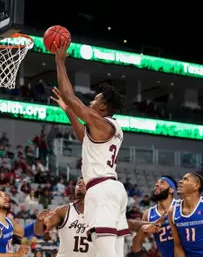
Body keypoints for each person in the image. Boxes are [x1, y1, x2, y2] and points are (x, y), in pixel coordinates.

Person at [52, 42, 127, 257]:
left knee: (105, 254)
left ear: (103, 107)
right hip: (113, 189)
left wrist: (59, 62)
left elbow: (70, 96)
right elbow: (83, 138)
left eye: (95, 100)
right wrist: (69, 112)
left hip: (101, 190)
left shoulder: (102, 122)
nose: (91, 102)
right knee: (115, 252)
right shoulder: (110, 128)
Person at [34, 177, 95, 256]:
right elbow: (39, 231)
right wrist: (39, 221)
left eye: (83, 183)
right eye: (78, 183)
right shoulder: (63, 211)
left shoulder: (99, 212)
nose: (79, 185)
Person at [130, 176, 178, 257]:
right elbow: (135, 248)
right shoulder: (148, 213)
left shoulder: (181, 206)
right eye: (156, 183)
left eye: (162, 183)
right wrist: (142, 230)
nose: (157, 185)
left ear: (171, 189)